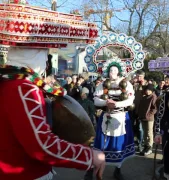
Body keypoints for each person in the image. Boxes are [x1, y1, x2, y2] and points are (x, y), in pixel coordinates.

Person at [0, 47, 105, 179]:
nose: (46, 62)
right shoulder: (24, 88)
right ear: (35, 56)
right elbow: (41, 145)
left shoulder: (9, 82)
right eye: (44, 54)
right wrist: (89, 156)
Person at [87, 58, 135, 180]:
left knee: (119, 144)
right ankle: (92, 169)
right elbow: (96, 99)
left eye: (114, 70)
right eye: (110, 70)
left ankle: (117, 169)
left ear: (118, 71)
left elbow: (130, 100)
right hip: (106, 116)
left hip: (121, 117)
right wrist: (106, 102)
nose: (111, 73)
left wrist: (117, 104)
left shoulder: (126, 84)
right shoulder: (102, 84)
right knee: (100, 144)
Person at [137, 84, 157, 156]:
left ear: (152, 90)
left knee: (149, 132)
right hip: (143, 117)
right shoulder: (144, 97)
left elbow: (154, 108)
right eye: (146, 90)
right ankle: (146, 146)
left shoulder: (153, 97)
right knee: (145, 132)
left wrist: (149, 115)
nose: (147, 91)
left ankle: (150, 147)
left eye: (149, 90)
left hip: (149, 118)